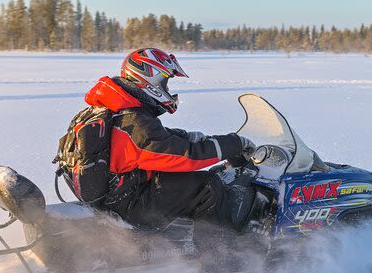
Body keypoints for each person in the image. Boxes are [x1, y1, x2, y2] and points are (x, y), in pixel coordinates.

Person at [83, 48, 256, 230]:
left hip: (123, 189)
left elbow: (154, 140)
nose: (167, 89)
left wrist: (188, 137)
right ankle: (218, 252)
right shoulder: (134, 121)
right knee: (208, 186)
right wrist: (233, 144)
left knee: (182, 179)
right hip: (129, 203)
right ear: (150, 79)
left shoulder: (116, 111)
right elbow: (187, 157)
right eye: (165, 82)